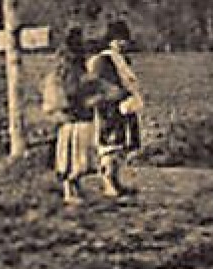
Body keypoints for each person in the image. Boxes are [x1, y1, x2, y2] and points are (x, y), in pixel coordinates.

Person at [87, 19, 143, 198]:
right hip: (109, 107)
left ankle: (116, 181)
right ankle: (108, 182)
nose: (122, 44)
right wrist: (119, 94)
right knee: (109, 145)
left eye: (124, 41)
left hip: (123, 106)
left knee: (121, 144)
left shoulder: (121, 59)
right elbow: (102, 86)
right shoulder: (102, 61)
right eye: (118, 41)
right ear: (110, 41)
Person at [44, 27, 97, 206]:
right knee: (75, 158)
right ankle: (69, 190)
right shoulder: (68, 69)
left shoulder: (73, 68)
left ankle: (74, 187)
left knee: (77, 157)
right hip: (74, 117)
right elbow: (70, 92)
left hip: (77, 116)